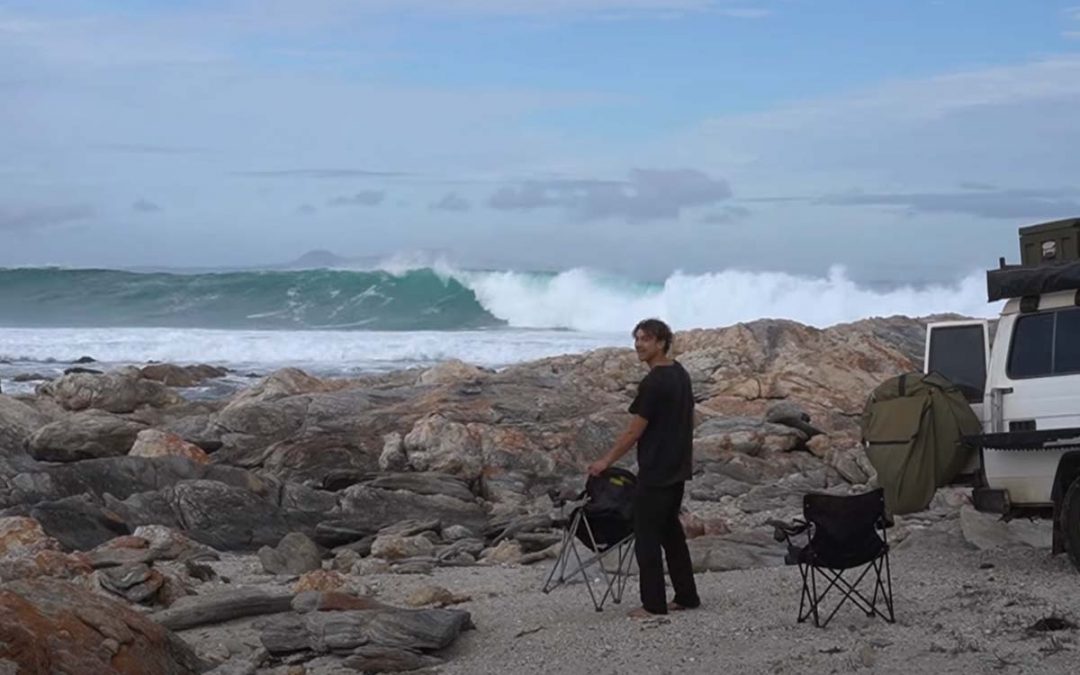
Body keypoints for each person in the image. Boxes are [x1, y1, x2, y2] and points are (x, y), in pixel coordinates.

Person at [587, 318, 700, 618]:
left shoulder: (654, 382)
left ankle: (653, 604)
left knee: (647, 537)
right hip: (678, 467)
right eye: (636, 338)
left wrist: (605, 462)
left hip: (657, 470)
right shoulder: (680, 374)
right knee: (671, 534)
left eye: (645, 339)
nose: (638, 344)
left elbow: (633, 431)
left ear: (661, 342)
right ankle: (687, 596)